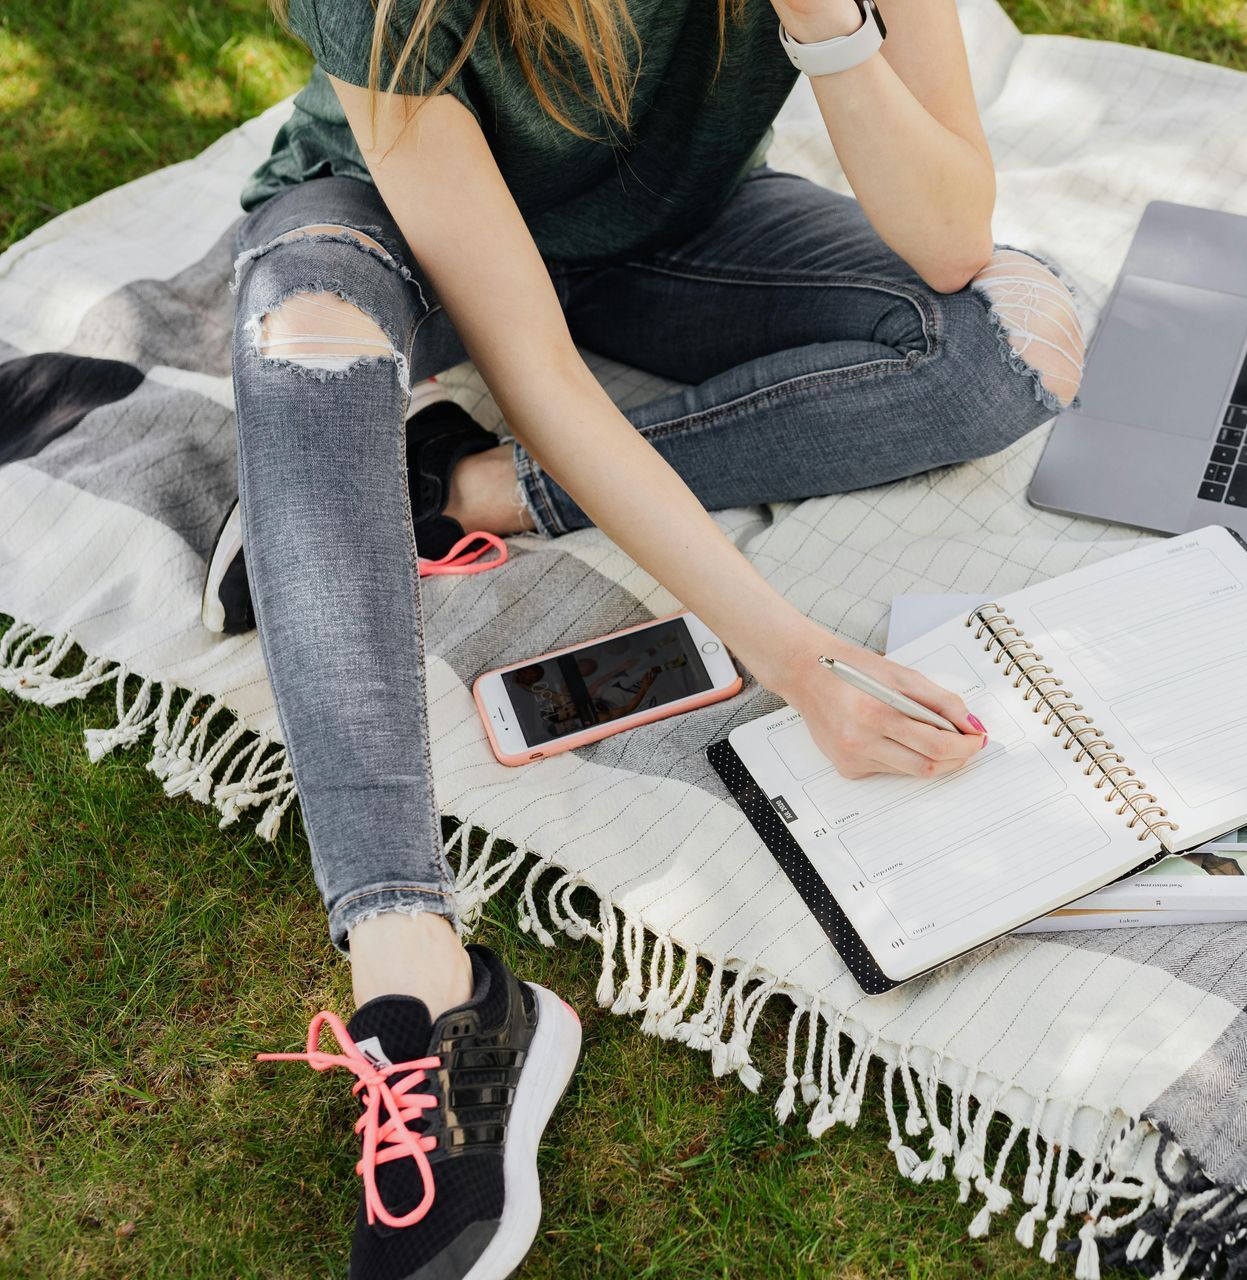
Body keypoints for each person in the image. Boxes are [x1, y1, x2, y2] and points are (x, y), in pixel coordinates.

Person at [219, 0, 1085, 1273]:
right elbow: (538, 366)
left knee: (1007, 346)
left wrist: (825, 19)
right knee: (306, 346)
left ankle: (426, 488)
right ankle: (429, 994)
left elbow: (952, 237)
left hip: (665, 237)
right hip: (390, 224)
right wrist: (791, 652)